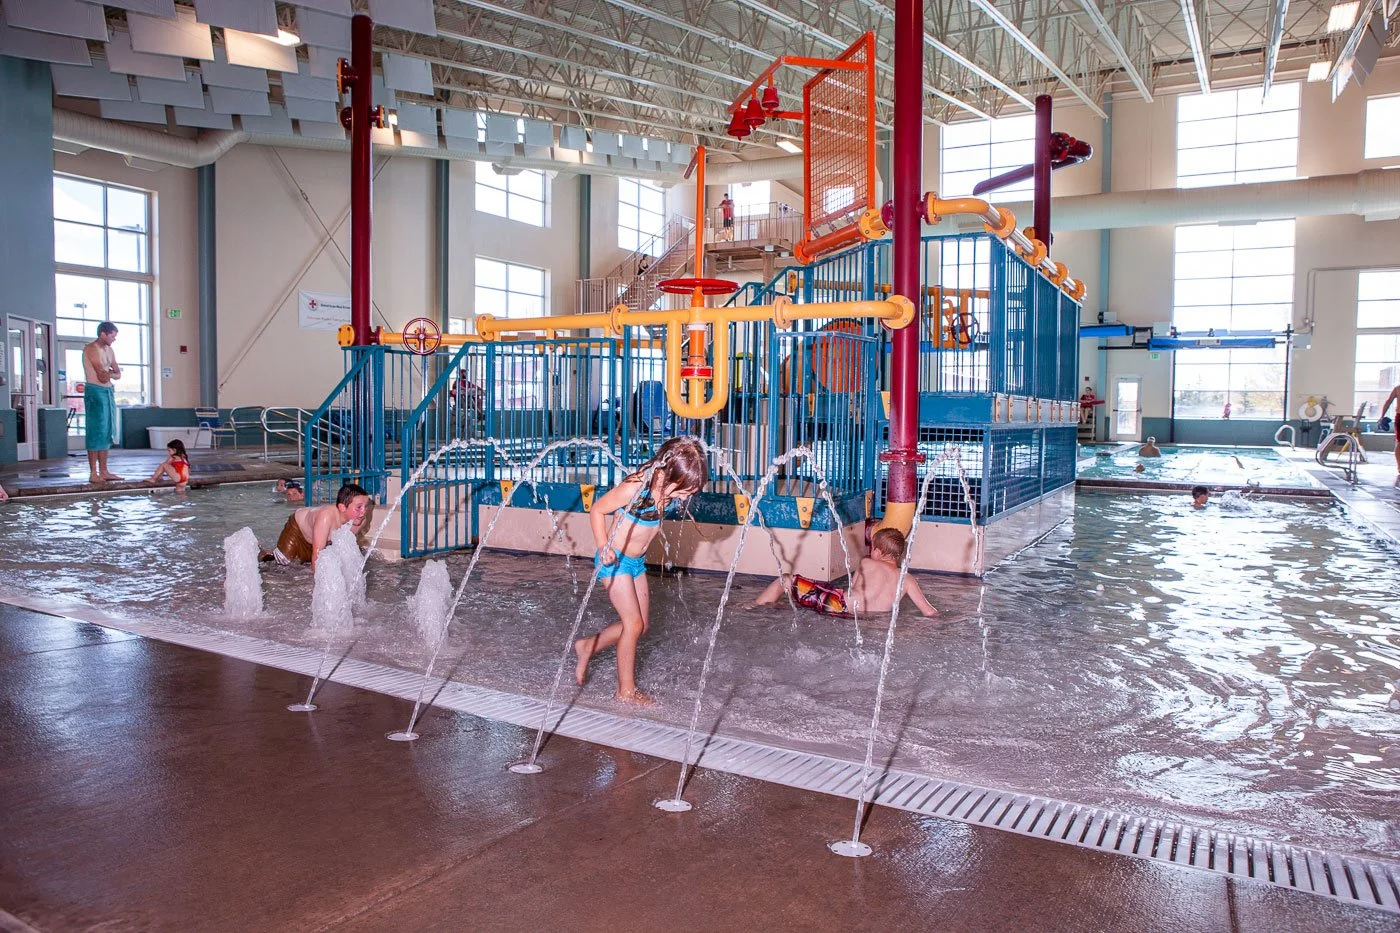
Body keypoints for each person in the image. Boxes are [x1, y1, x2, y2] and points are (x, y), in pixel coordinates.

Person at [573, 437, 710, 705]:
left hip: (636, 562)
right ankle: (625, 690)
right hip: (615, 561)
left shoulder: (668, 489)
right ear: (670, 474)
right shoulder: (637, 487)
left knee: (641, 626)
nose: (686, 497)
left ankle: (588, 645)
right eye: (685, 490)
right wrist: (603, 547)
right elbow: (598, 510)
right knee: (633, 624)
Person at [751, 527, 938, 619]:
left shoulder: (867, 563)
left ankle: (753, 607)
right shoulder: (907, 579)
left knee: (786, 581)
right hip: (869, 620)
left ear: (878, 552)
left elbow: (852, 588)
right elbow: (929, 612)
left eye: (873, 548)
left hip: (840, 605)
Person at [260, 482, 372, 569]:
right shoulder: (326, 518)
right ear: (342, 507)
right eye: (358, 507)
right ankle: (262, 553)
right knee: (280, 565)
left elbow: (343, 550)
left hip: (316, 540)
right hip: (297, 532)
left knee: (303, 565)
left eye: (366, 506)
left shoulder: (360, 521)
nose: (363, 512)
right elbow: (317, 557)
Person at [83, 322, 123, 484]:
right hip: (95, 391)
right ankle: (93, 472)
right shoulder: (91, 349)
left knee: (107, 430)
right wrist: (111, 373)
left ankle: (104, 471)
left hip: (107, 391)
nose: (114, 339)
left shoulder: (109, 350)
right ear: (103, 334)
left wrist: (111, 374)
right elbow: (101, 375)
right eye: (112, 336)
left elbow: (117, 373)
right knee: (95, 430)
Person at [1378, 383, 1400, 477]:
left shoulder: (1397, 389)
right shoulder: (1397, 389)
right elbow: (1388, 402)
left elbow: (1388, 402)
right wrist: (1382, 416)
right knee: (1399, 442)